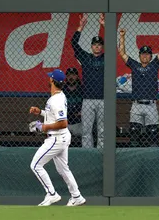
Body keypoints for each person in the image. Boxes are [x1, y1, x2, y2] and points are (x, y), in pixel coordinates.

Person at [28, 69, 86, 207]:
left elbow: (63, 122)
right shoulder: (59, 96)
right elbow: (54, 115)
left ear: (52, 81)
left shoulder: (56, 100)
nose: (49, 79)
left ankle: (52, 194)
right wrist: (41, 112)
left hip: (56, 138)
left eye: (50, 78)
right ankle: (76, 196)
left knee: (36, 165)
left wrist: (43, 127)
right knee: (63, 170)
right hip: (61, 137)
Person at [118, 25, 159, 147]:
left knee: (153, 135)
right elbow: (122, 53)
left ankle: (153, 160)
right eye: (142, 54)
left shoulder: (154, 65)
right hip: (136, 104)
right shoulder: (134, 65)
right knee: (134, 134)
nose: (145, 56)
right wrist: (122, 37)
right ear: (139, 55)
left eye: (147, 54)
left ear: (151, 56)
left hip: (151, 104)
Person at [71, 14, 105, 149]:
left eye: (99, 45)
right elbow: (74, 43)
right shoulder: (85, 57)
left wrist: (104, 25)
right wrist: (81, 27)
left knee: (103, 131)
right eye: (95, 45)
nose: (97, 47)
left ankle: (102, 154)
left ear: (102, 47)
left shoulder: (106, 58)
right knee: (86, 131)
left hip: (103, 99)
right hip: (87, 99)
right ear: (91, 46)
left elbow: (116, 43)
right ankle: (88, 154)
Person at [63, 67, 83, 145]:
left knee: (87, 132)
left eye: (73, 75)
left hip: (79, 123)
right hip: (64, 123)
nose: (71, 77)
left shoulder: (83, 90)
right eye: (69, 75)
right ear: (66, 77)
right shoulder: (61, 90)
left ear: (77, 77)